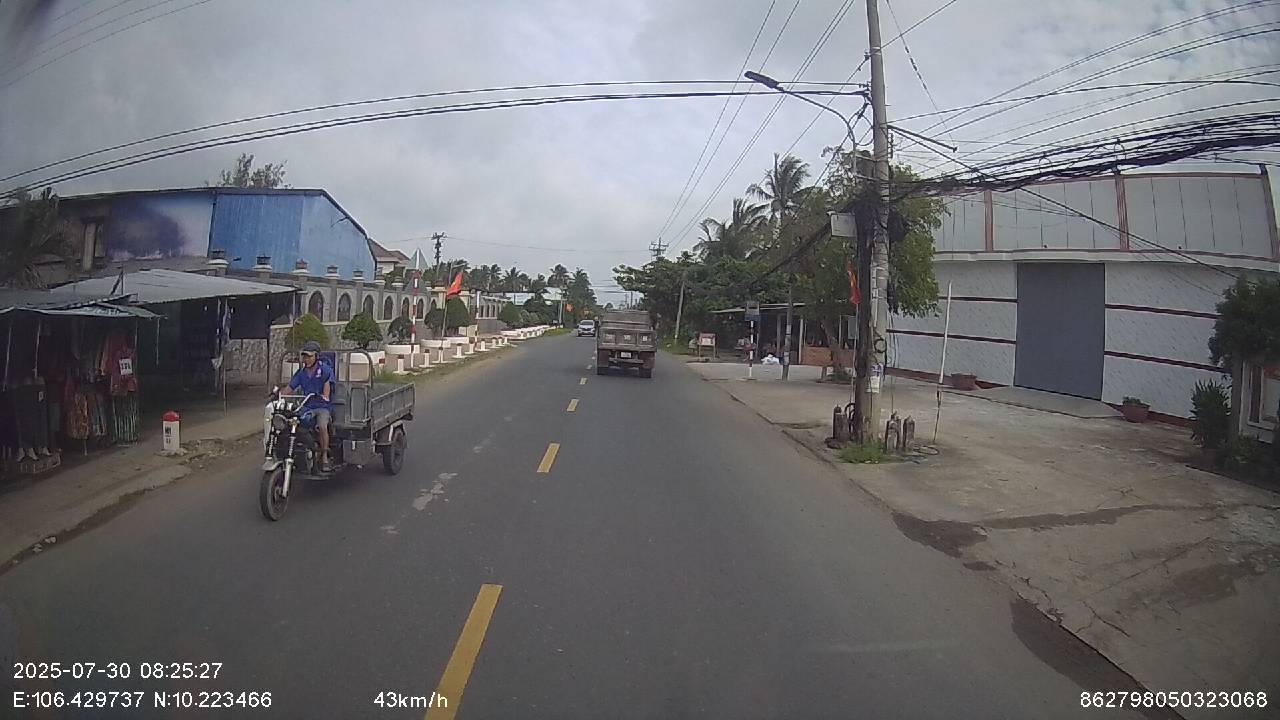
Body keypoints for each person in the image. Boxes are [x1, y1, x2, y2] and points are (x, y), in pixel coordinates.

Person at [288, 341, 334, 472]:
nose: (306, 359)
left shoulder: (325, 370)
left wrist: (324, 395)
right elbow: (290, 387)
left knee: (322, 426)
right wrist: (278, 396)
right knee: (293, 422)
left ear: (316, 357)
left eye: (309, 356)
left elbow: (327, 389)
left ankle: (324, 457)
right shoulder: (301, 373)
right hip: (306, 406)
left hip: (322, 406)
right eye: (304, 356)